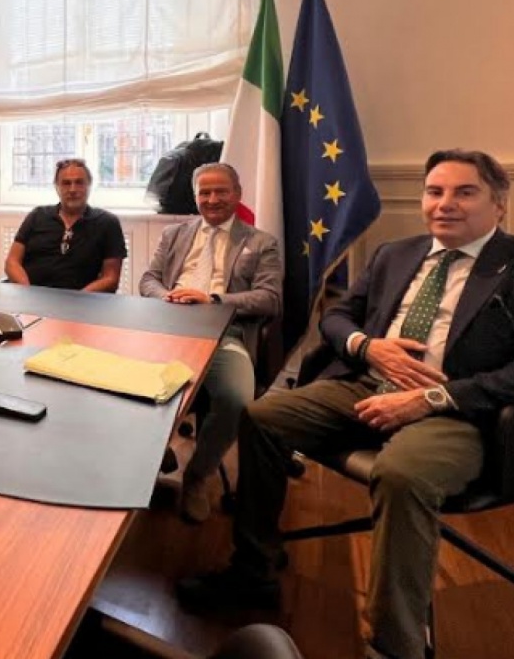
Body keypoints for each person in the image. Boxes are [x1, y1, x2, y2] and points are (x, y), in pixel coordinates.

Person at [178, 149, 514, 659]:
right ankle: (253, 570)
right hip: (364, 384)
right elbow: (337, 318)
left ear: (499, 204)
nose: (445, 203)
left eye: (464, 192)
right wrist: (366, 345)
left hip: (453, 409)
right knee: (261, 417)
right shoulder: (395, 254)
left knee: (402, 474)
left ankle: (395, 643)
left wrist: (433, 396)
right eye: (434, 191)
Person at [138, 162, 282, 522]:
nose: (212, 199)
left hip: (224, 333)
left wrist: (213, 300)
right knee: (124, 383)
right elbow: (148, 279)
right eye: (205, 192)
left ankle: (198, 475)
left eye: (221, 191)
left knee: (236, 399)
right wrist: (167, 296)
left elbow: (270, 299)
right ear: (195, 196)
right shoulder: (174, 234)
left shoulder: (261, 242)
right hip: (167, 327)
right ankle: (149, 454)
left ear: (238, 194)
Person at [5, 158, 127, 292]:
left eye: (79, 182)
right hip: (30, 296)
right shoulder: (37, 215)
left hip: (82, 300)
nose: (72, 189)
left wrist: (78, 299)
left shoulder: (107, 223)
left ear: (89, 185)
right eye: (66, 183)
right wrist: (27, 292)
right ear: (57, 187)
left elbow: (111, 278)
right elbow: (12, 262)